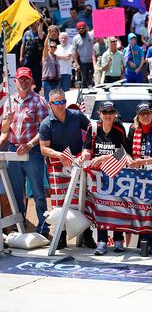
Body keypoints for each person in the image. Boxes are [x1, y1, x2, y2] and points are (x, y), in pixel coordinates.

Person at [0, 67, 50, 236]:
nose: (23, 82)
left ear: (31, 81)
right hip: (14, 150)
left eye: (26, 79)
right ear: (15, 81)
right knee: (15, 191)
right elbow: (5, 130)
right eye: (21, 79)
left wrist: (29, 144)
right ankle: (20, 227)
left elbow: (44, 129)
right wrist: (7, 122)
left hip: (32, 151)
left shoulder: (39, 101)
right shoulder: (9, 101)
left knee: (38, 191)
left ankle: (43, 227)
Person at [38, 88, 90, 248]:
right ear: (50, 104)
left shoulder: (76, 116)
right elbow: (43, 148)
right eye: (56, 102)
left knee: (83, 200)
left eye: (63, 101)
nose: (60, 105)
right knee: (60, 204)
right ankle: (61, 235)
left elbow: (92, 130)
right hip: (57, 166)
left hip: (78, 163)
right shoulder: (46, 124)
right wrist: (60, 155)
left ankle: (87, 236)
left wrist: (87, 149)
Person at [81, 102, 128, 254]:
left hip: (116, 174)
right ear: (99, 114)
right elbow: (87, 149)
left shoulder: (119, 129)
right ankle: (102, 241)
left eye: (111, 112)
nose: (108, 115)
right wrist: (85, 155)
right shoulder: (93, 128)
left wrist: (103, 158)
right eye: (105, 112)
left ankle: (118, 240)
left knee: (117, 207)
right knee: (101, 208)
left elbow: (123, 153)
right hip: (98, 176)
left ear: (115, 114)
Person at [127, 103, 152, 254]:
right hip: (136, 176)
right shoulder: (133, 130)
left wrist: (143, 162)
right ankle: (144, 240)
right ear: (138, 116)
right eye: (142, 114)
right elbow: (125, 150)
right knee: (140, 209)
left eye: (148, 113)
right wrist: (130, 160)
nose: (145, 116)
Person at [73, 22, 95, 87]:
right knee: (84, 81)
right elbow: (75, 52)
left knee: (94, 80)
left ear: (85, 28)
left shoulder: (91, 34)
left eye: (83, 28)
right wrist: (76, 63)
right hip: (83, 63)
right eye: (79, 29)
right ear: (77, 30)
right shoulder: (75, 38)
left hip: (93, 62)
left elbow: (98, 26)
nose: (81, 30)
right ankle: (85, 95)